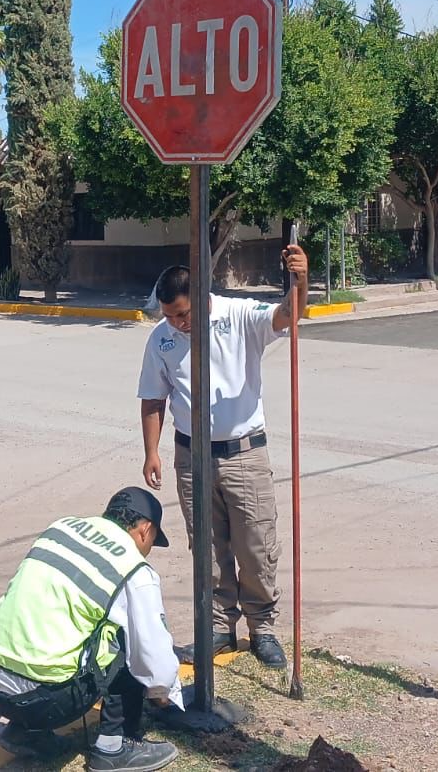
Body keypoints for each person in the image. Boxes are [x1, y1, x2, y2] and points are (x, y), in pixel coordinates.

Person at [137, 245, 308, 669]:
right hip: (191, 457)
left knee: (255, 545)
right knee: (207, 548)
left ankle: (262, 628)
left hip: (244, 453)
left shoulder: (239, 315)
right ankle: (217, 627)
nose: (178, 323)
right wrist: (151, 452)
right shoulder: (161, 339)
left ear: (201, 295)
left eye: (183, 313)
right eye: (170, 316)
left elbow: (288, 315)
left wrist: (301, 280)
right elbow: (153, 399)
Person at [0, 487, 184, 772]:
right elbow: (153, 655)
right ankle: (114, 747)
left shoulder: (61, 528)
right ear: (145, 530)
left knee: (61, 622)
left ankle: (25, 733)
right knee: (126, 635)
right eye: (152, 541)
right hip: (48, 699)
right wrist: (162, 691)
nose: (148, 549)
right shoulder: (134, 569)